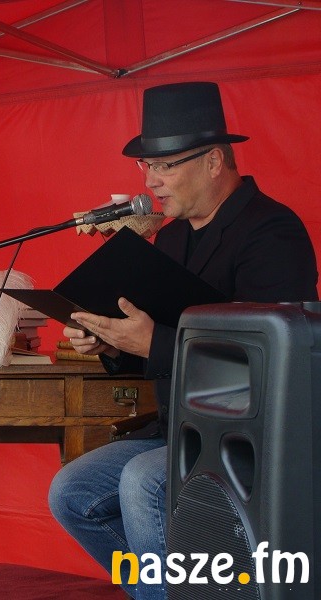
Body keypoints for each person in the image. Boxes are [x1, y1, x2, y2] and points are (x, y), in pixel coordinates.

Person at [48, 81, 318, 600]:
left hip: (251, 438)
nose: (150, 181)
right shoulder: (171, 236)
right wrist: (113, 344)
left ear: (214, 162)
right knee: (72, 492)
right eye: (145, 166)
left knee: (143, 481)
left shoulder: (272, 232)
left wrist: (154, 343)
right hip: (180, 430)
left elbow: (274, 367)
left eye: (164, 166)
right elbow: (158, 348)